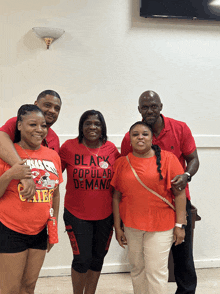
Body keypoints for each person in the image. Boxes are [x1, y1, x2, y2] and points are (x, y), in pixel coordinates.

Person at [121, 90, 199, 294]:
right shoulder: (132, 135)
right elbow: (124, 169)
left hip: (177, 202)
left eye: (153, 106)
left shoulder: (180, 128)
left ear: (161, 107)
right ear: (139, 110)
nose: (149, 110)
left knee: (183, 257)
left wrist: (186, 176)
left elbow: (193, 159)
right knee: (146, 264)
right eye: (145, 107)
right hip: (144, 211)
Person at [111, 121, 187, 294]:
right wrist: (118, 227)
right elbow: (116, 197)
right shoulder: (122, 163)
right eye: (135, 134)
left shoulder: (169, 159)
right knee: (137, 270)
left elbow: (180, 194)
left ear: (152, 139)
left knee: (156, 273)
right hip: (131, 225)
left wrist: (179, 226)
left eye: (145, 134)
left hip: (161, 226)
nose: (140, 137)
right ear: (129, 139)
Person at [0, 104, 63, 294]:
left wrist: (53, 226)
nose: (39, 130)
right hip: (11, 229)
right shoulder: (7, 154)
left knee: (28, 287)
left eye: (43, 126)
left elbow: (55, 193)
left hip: (39, 232)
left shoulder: (52, 156)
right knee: (9, 289)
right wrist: (10, 174)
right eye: (32, 124)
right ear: (19, 125)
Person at [59, 110, 120, 294]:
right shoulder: (69, 147)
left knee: (97, 258)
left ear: (103, 128)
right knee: (82, 259)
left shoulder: (111, 149)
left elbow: (120, 182)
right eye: (87, 123)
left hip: (105, 215)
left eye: (97, 123)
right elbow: (53, 177)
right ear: (81, 126)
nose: (92, 127)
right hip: (76, 214)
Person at [0, 90, 62, 199]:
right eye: (48, 105)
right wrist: (26, 175)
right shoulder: (15, 123)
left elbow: (55, 179)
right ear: (36, 104)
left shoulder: (54, 139)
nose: (52, 111)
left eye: (57, 108)